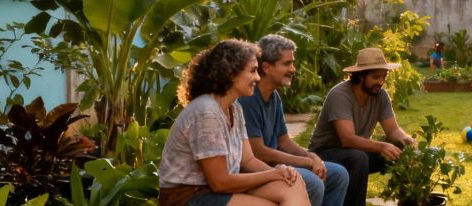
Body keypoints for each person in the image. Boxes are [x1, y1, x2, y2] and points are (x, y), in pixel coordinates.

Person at [159, 39, 310, 206]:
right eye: (253, 71)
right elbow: (220, 182)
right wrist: (272, 174)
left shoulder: (235, 108)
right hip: (189, 196)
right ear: (231, 74)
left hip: (216, 190)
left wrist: (283, 173)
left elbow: (248, 161)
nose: (258, 77)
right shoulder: (207, 112)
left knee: (292, 185)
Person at [240, 35, 349, 206]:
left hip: (278, 164)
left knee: (338, 174)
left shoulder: (274, 96)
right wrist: (305, 163)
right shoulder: (249, 98)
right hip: (259, 169)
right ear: (266, 67)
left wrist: (310, 156)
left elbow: (283, 140)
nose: (293, 69)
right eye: (287, 63)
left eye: (292, 63)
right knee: (313, 183)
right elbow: (257, 152)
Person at [307, 48, 417, 206]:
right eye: (375, 77)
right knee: (358, 158)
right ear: (360, 75)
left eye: (384, 77)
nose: (381, 82)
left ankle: (409, 202)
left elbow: (392, 130)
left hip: (357, 152)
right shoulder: (340, 95)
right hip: (324, 154)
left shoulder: (381, 95)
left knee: (400, 148)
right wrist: (381, 146)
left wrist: (406, 140)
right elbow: (347, 139)